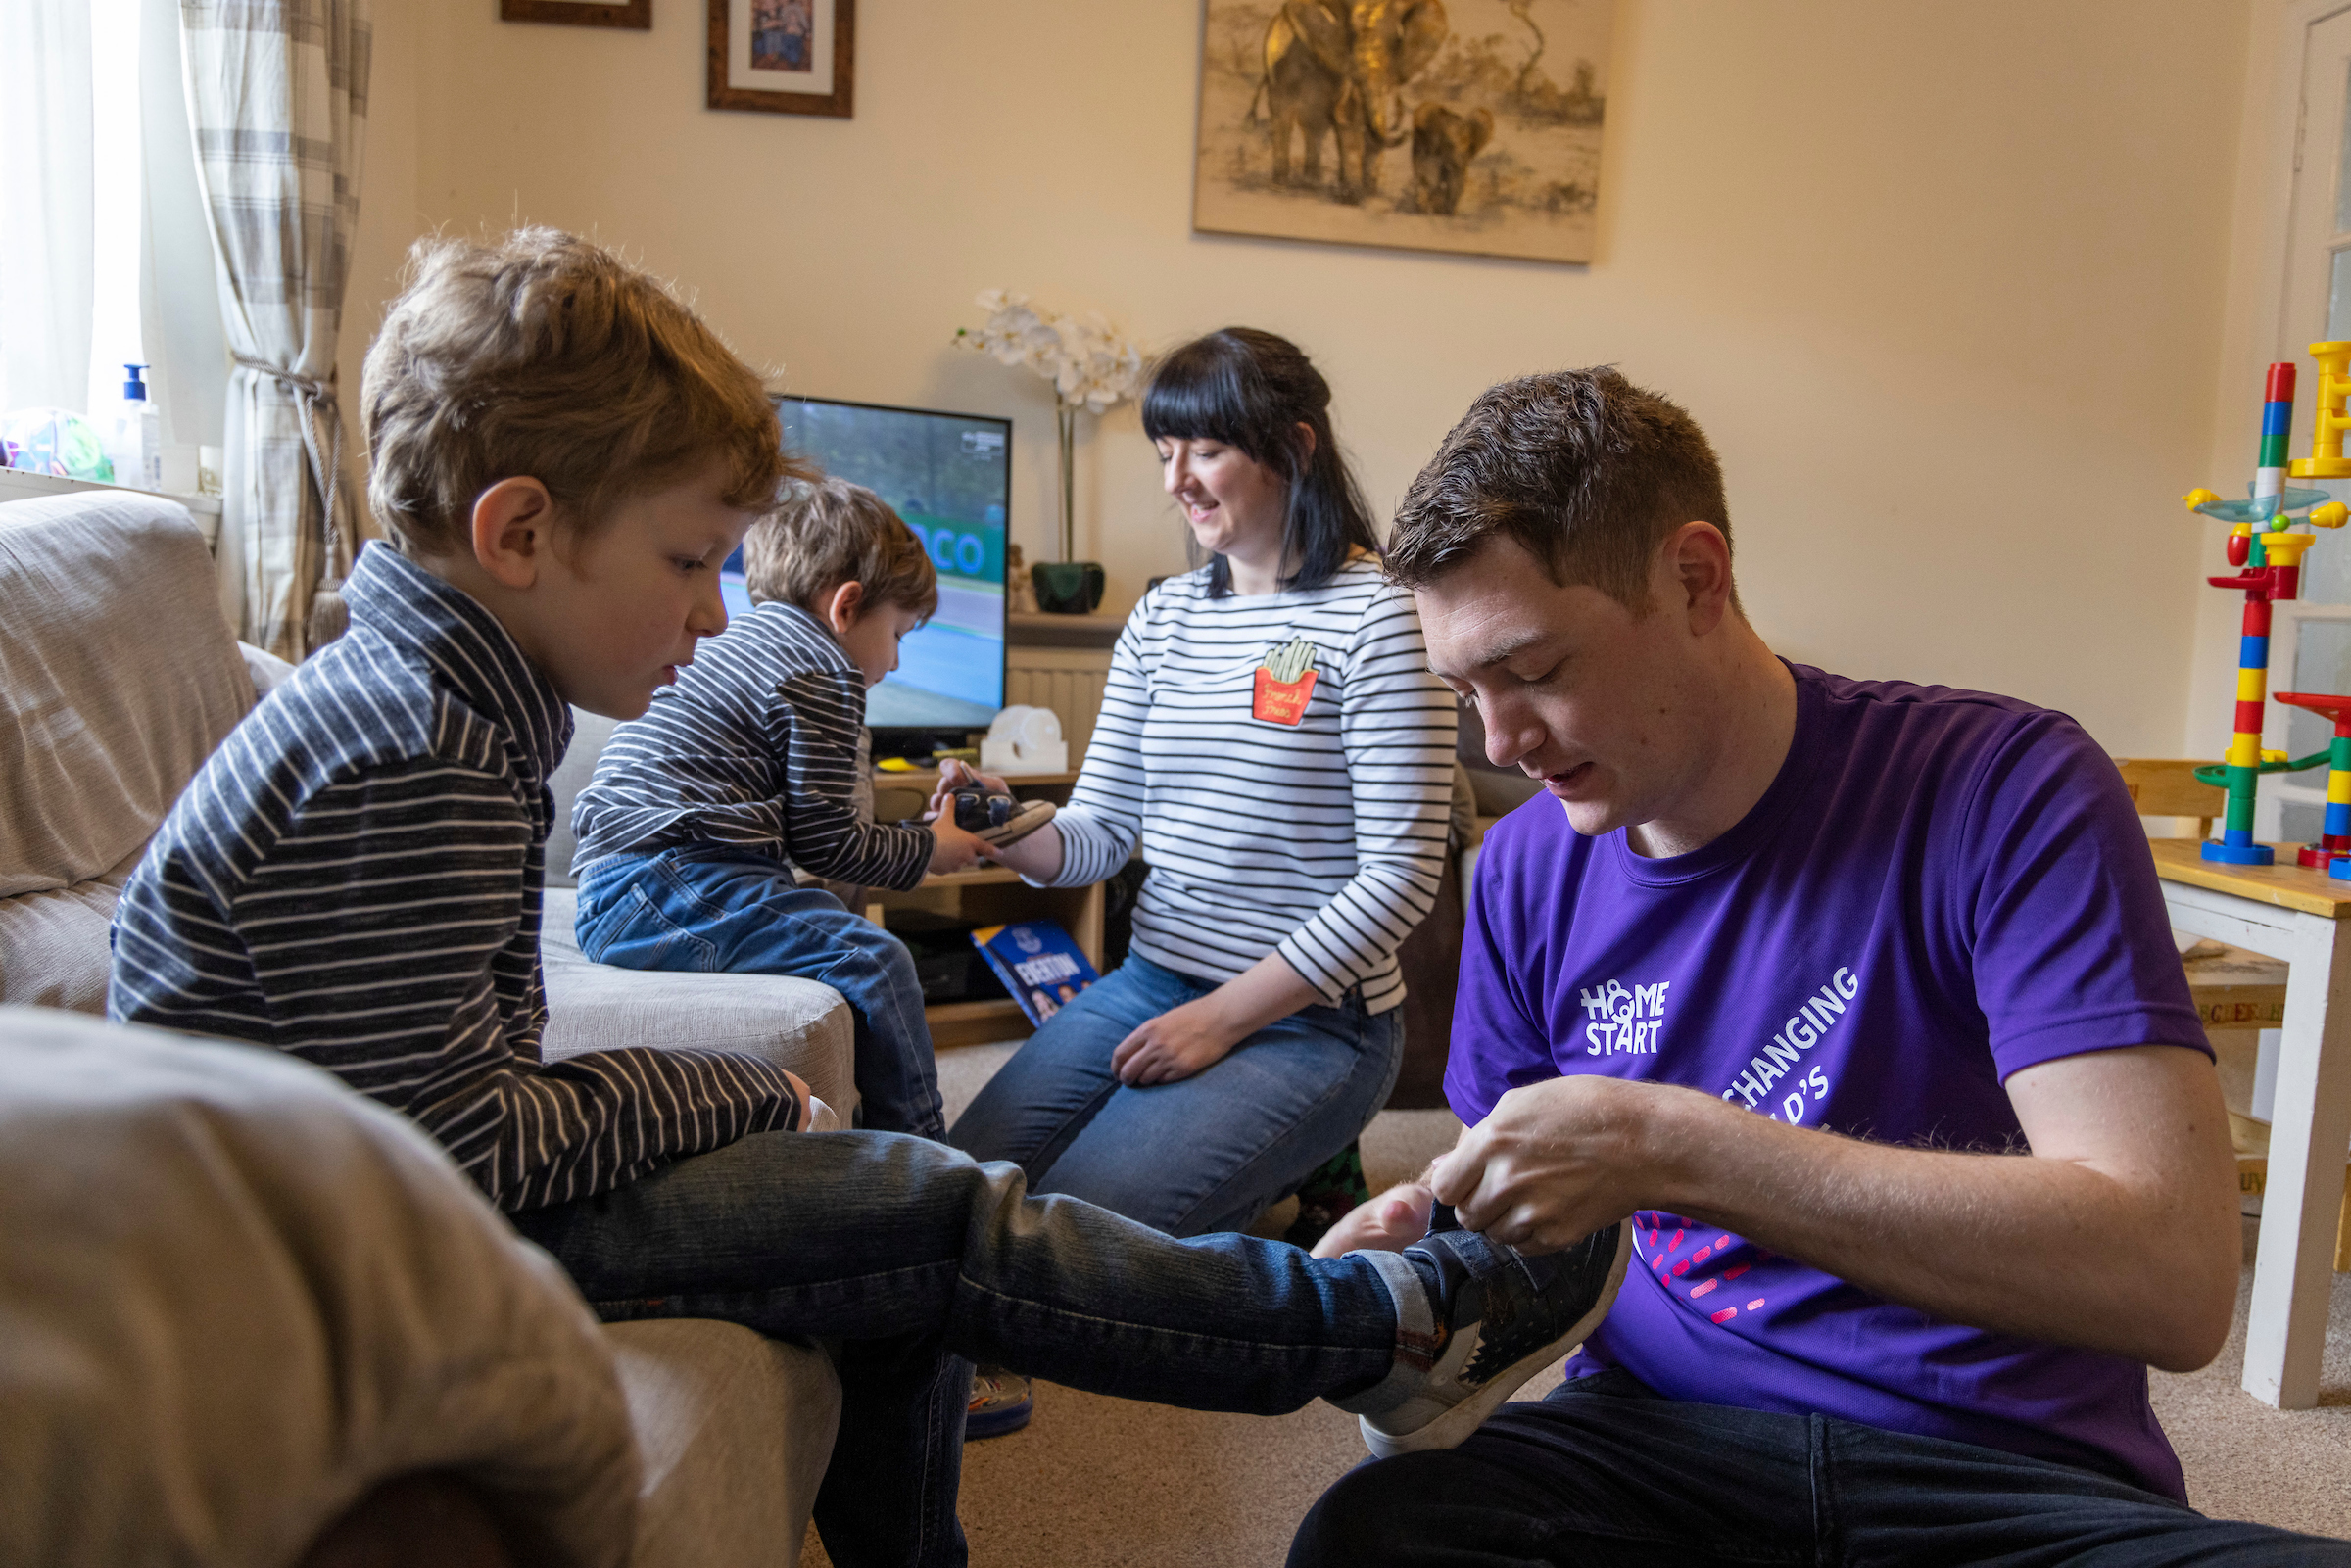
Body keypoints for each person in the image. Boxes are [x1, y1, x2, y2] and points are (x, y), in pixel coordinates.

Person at [100, 229, 1624, 1568]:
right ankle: (1400, 1324)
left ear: (1285, 447)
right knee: (946, 1210)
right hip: (365, 1240)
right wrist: (731, 1088)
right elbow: (474, 1145)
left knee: (947, 1216)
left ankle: (1368, 1308)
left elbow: (1401, 870)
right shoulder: (411, 747)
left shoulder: (443, 708)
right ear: (518, 534)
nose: (716, 612)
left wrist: (732, 1091)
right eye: (693, 559)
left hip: (1283, 1017)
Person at [1286, 367, 2351, 1565]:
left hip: (2001, 1475)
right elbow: (1534, 1256)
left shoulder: (2005, 787)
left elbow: (2174, 1276)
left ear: (1695, 578)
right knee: (1374, 1536)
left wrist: (1675, 1146)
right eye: (1468, 689)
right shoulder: (1525, 870)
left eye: (1535, 670)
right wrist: (1424, 1283)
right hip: (1656, 1455)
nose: (1502, 741)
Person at [944, 327, 1458, 1431]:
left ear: (1294, 448)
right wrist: (1007, 829)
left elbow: (1404, 875)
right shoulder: (1170, 616)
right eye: (1164, 449)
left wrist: (1222, 1021)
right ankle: (1286, 1190)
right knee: (950, 1185)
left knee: (1061, 1234)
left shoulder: (1383, 619)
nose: (1177, 480)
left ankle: (1312, 1204)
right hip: (1149, 979)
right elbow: (1101, 831)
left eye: (1207, 449)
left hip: (1312, 1027)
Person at [568, 475, 980, 1140]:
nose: (896, 661)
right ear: (846, 606)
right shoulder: (820, 669)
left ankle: (880, 1131)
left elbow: (811, 825)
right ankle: (933, 1159)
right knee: (876, 960)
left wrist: (915, 833)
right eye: (899, 633)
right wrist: (934, 849)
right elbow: (831, 845)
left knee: (822, 926)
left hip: (634, 882)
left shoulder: (749, 645)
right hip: (664, 879)